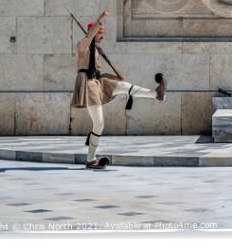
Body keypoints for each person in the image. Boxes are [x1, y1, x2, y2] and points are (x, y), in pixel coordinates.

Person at [71, 9, 166, 169]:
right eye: (100, 33)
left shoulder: (96, 50)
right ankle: (90, 159)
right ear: (94, 32)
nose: (103, 36)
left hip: (99, 81)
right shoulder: (82, 46)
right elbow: (89, 37)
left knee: (123, 86)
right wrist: (100, 18)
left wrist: (115, 78)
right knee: (99, 124)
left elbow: (98, 70)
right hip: (88, 85)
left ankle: (155, 94)